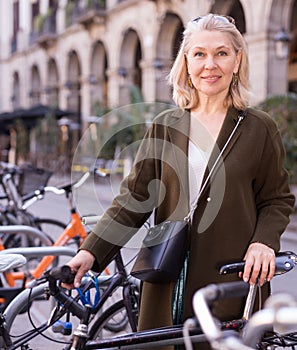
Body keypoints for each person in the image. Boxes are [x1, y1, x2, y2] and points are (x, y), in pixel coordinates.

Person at [64, 14, 295, 349]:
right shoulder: (165, 125)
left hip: (231, 278)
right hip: (165, 278)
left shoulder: (259, 127)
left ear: (237, 59)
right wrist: (90, 253)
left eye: (221, 53)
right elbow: (133, 199)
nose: (209, 65)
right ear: (185, 61)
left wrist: (263, 242)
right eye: (199, 54)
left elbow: (276, 199)